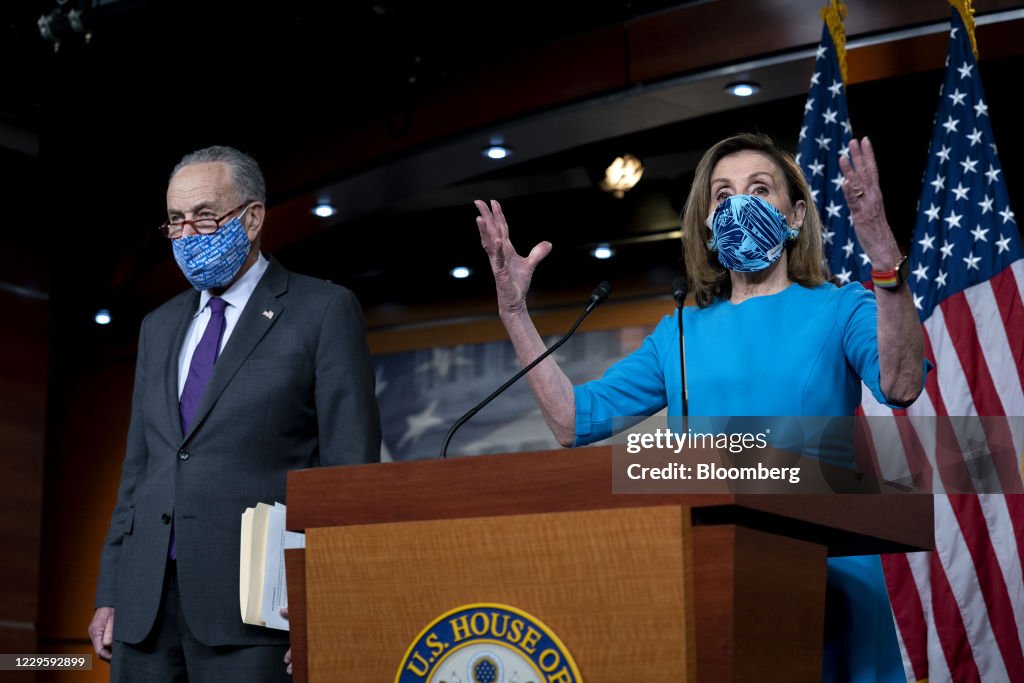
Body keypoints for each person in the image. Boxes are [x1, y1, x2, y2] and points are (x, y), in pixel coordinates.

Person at [474, 133, 927, 681]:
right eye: (722, 195)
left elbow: (901, 383)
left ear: (796, 215)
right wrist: (515, 313)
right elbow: (573, 420)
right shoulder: (680, 331)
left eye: (760, 189)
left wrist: (882, 255)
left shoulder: (839, 306)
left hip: (823, 567)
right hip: (717, 571)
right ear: (709, 222)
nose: (740, 204)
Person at [88, 145, 381, 681]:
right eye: (175, 221)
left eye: (204, 216)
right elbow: (142, 467)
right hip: (144, 608)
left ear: (252, 217)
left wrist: (333, 594)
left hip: (257, 612)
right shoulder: (159, 325)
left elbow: (350, 470)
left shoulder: (321, 310)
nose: (187, 234)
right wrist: (110, 590)